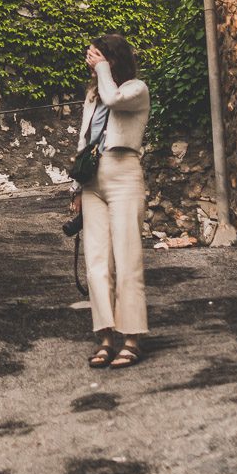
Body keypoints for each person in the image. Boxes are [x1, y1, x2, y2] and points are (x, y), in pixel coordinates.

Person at [70, 34, 149, 368]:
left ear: (114, 59)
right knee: (97, 263)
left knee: (127, 257)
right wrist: (75, 188)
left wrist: (102, 69)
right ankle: (105, 337)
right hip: (93, 181)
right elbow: (84, 139)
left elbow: (114, 99)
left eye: (100, 57)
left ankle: (132, 338)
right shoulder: (92, 95)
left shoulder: (135, 90)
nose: (93, 63)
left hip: (123, 175)